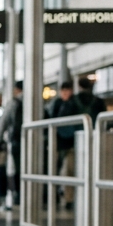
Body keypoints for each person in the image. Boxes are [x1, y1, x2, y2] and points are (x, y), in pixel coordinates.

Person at [45, 80, 81, 210]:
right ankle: (54, 196)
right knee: (54, 170)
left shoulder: (75, 103)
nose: (65, 93)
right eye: (63, 91)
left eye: (67, 90)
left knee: (68, 171)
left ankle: (68, 198)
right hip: (58, 143)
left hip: (71, 143)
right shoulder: (56, 104)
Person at [0, 81, 24, 211]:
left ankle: (19, 195)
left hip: (17, 141)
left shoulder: (14, 103)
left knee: (19, 168)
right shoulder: (37, 101)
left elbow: (3, 123)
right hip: (37, 141)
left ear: (17, 89)